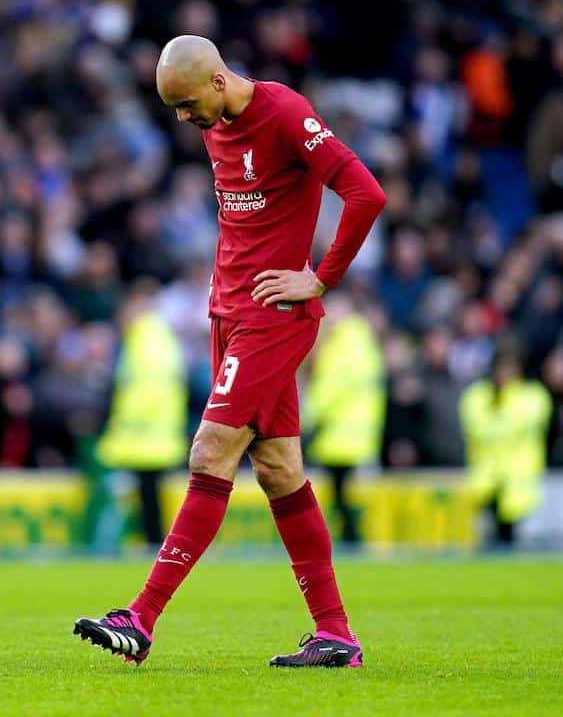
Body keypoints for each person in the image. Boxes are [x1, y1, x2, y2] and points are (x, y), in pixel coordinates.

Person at [73, 36, 386, 668]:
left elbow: (366, 193)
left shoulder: (285, 113)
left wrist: (321, 278)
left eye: (187, 105)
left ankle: (140, 617)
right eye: (174, 110)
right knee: (277, 470)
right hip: (228, 315)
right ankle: (336, 634)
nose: (183, 119)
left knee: (209, 451)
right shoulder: (212, 120)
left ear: (218, 81)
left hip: (273, 316)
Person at [94, 281, 188, 548]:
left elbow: (142, 392)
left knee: (138, 497)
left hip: (141, 438)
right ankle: (153, 544)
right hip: (159, 437)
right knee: (149, 498)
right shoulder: (160, 337)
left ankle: (141, 545)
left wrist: (117, 426)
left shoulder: (145, 340)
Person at [302, 294, 385, 544]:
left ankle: (352, 541)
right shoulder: (363, 342)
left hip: (340, 434)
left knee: (341, 494)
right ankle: (353, 539)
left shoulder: (343, 344)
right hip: (358, 432)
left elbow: (330, 388)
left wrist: (306, 418)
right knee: (345, 493)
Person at [459, 341, 552, 547]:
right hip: (485, 478)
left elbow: (526, 423)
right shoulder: (477, 394)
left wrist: (498, 422)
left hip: (518, 479)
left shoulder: (533, 395)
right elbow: (477, 428)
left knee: (515, 537)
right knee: (486, 538)